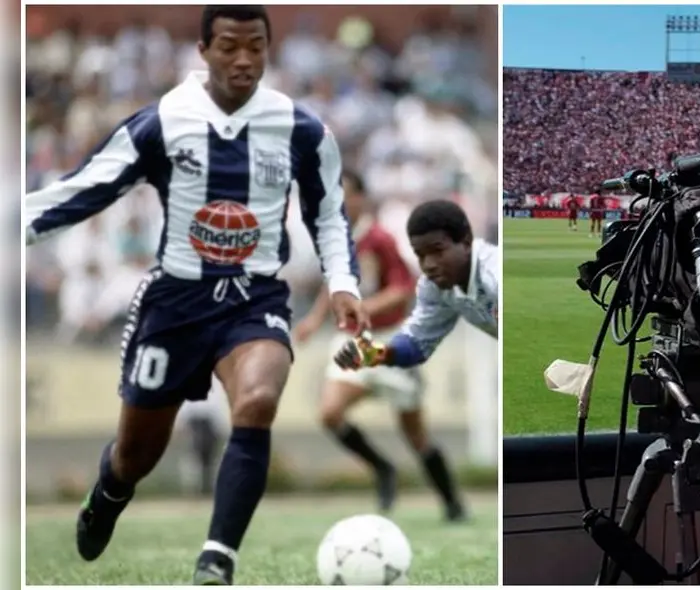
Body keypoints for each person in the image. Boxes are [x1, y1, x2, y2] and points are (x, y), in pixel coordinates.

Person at [23, 6, 370, 585]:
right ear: (203, 50)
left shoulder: (301, 128)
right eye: (230, 46)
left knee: (258, 401)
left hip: (255, 298)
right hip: (176, 303)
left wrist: (342, 283)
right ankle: (108, 493)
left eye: (256, 46)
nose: (244, 59)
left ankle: (218, 559)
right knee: (135, 456)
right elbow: (82, 191)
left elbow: (328, 214)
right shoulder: (162, 122)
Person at [294, 173, 466, 521]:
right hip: (353, 342)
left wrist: (364, 307)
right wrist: (314, 319)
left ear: (362, 199)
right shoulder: (336, 241)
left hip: (389, 344)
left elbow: (402, 290)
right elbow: (334, 286)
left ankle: (452, 502)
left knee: (416, 436)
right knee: (330, 413)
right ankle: (383, 468)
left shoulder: (380, 239)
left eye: (345, 196)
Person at [331, 201, 497, 479]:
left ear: (465, 242)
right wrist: (371, 354)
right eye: (420, 255)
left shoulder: (494, 274)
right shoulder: (435, 287)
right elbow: (416, 345)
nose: (429, 264)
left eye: (438, 251)